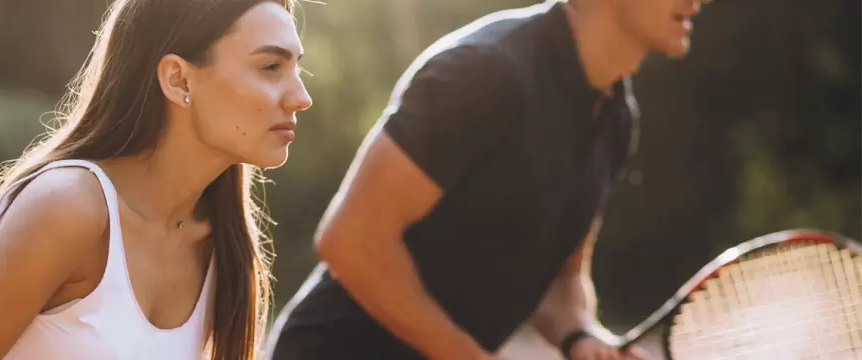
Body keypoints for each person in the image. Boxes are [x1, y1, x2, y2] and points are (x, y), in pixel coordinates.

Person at [265, 0, 702, 359]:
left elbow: (562, 276)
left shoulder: (617, 118)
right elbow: (351, 241)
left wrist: (580, 336)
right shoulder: (485, 70)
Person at [0, 0, 311, 359]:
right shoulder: (68, 208)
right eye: (270, 67)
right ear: (178, 79)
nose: (301, 98)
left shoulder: (220, 244)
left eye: (297, 69)